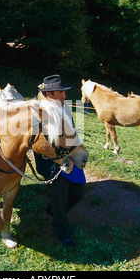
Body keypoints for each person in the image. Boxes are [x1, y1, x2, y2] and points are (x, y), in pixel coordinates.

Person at [34, 75, 86, 247]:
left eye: (64, 92)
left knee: (78, 189)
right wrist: (62, 160)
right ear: (49, 94)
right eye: (61, 92)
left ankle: (52, 211)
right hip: (50, 160)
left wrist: (76, 148)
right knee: (60, 195)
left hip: (69, 152)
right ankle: (61, 228)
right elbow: (41, 145)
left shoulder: (64, 106)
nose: (64, 96)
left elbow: (70, 132)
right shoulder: (42, 113)